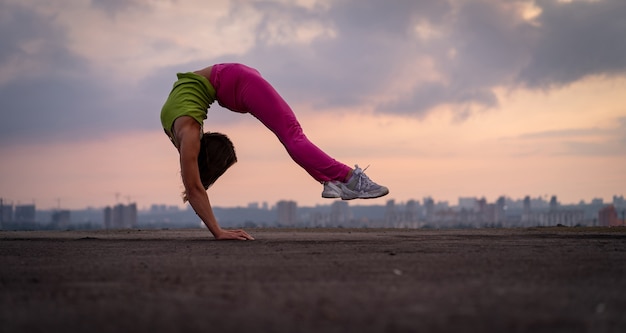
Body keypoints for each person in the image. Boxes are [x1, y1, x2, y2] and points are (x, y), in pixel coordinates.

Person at [160, 63, 389, 240]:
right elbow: (194, 185)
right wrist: (218, 231)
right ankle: (333, 180)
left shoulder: (188, 136)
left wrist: (218, 232)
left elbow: (194, 188)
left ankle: (348, 179)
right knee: (292, 136)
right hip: (233, 78)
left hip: (239, 81)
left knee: (293, 136)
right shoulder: (182, 131)